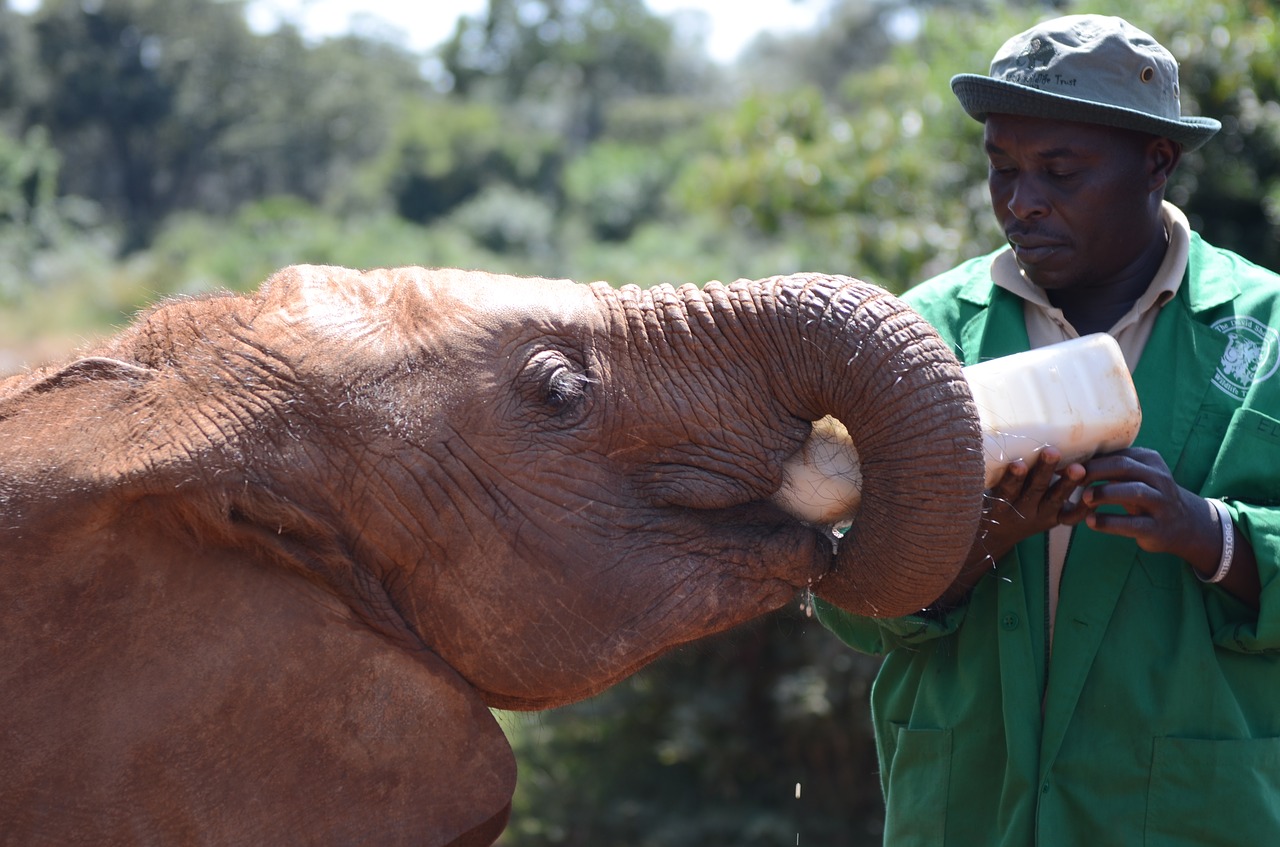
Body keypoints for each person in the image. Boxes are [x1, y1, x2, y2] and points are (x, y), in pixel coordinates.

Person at [815, 14, 1280, 846]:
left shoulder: (1267, 331)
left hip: (1193, 811)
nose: (1022, 203)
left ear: (1157, 162)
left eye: (1061, 171)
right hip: (966, 812)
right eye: (1002, 168)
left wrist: (1204, 531)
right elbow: (846, 597)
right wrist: (984, 536)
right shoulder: (923, 335)